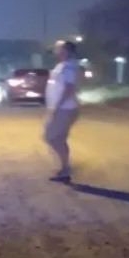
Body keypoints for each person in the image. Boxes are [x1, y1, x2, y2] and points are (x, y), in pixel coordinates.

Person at [44, 40, 80, 182]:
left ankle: (65, 169)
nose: (55, 50)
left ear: (65, 51)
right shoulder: (61, 66)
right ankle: (64, 167)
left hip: (65, 108)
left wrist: (57, 107)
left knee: (52, 137)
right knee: (57, 138)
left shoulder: (68, 67)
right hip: (61, 108)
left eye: (57, 48)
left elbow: (69, 88)